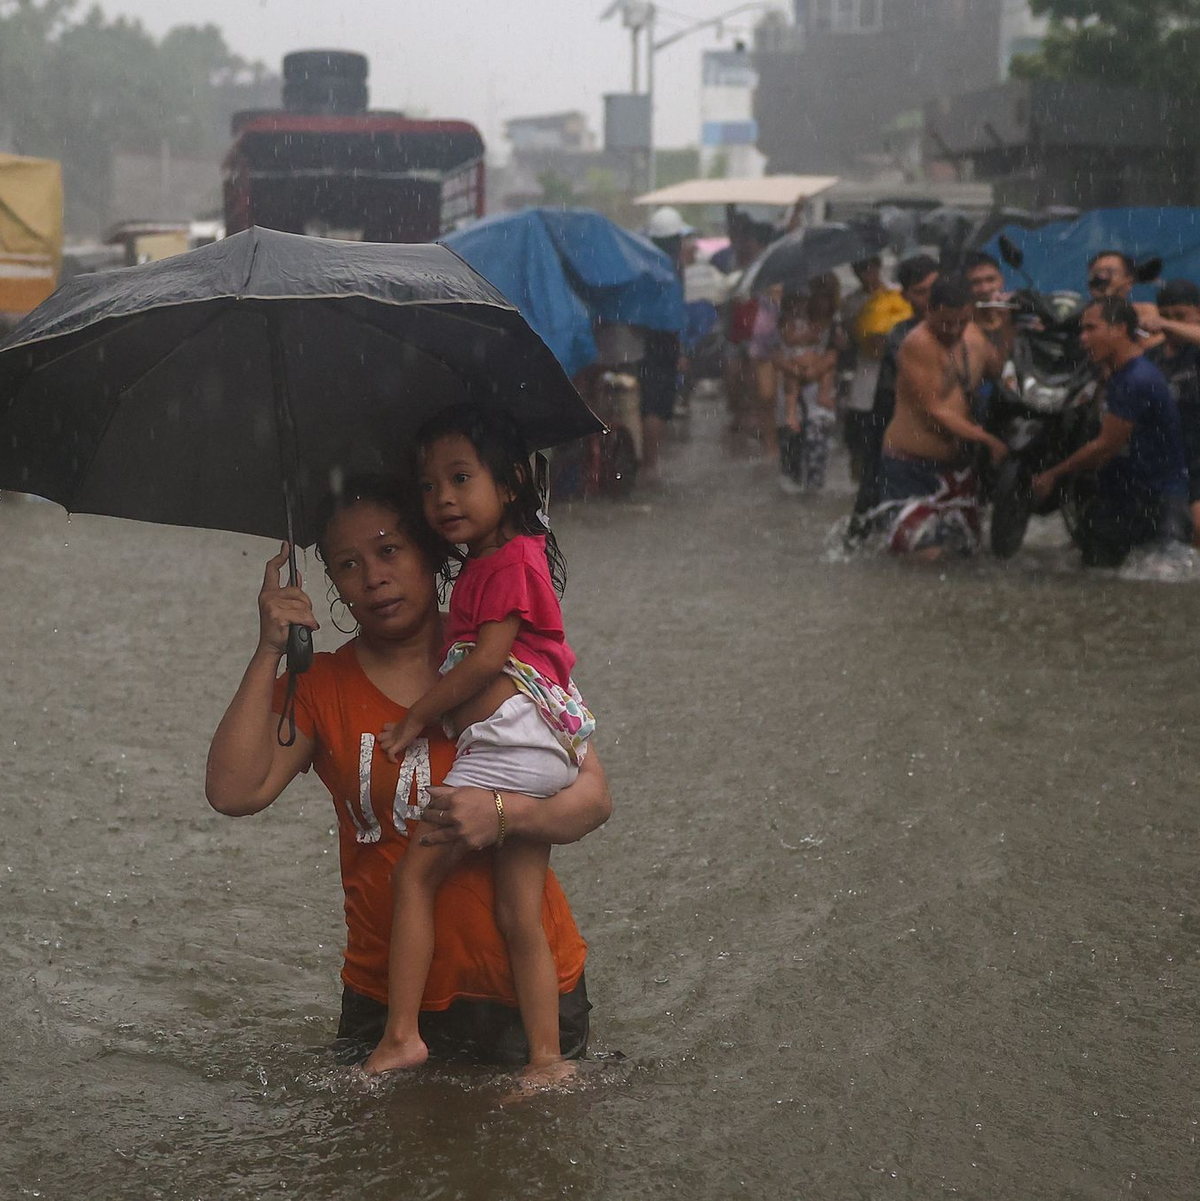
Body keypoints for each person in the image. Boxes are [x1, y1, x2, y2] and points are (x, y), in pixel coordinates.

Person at [205, 474, 610, 1069]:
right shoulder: (322, 686)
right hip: (384, 998)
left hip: (524, 997)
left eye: (389, 549)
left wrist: (502, 815)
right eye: (347, 565)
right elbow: (232, 791)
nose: (373, 578)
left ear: (429, 551)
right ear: (335, 586)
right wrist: (269, 650)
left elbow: (594, 800)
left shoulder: (500, 655)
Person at [364, 407, 594, 1080]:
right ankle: (546, 1059)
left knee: (415, 874)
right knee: (517, 911)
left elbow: (486, 660)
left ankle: (402, 1034)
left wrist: (412, 719)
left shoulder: (510, 563)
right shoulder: (495, 563)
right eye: (430, 485)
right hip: (533, 750)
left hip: (507, 748)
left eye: (461, 478)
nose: (443, 498)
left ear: (513, 484)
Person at [1032, 296, 1191, 568]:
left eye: (1091, 328)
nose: (1083, 338)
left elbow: (1105, 447)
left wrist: (1053, 474)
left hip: (1155, 505)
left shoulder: (1136, 379)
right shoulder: (1118, 375)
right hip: (1121, 502)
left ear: (1118, 329)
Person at [878, 274, 1008, 559]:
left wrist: (1007, 326)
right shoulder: (918, 344)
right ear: (929, 311)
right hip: (911, 468)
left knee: (965, 558)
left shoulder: (973, 336)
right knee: (925, 556)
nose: (954, 330)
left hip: (958, 470)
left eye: (962, 321)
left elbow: (998, 371)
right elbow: (934, 410)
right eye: (947, 322)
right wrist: (986, 438)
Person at [845, 254, 939, 540]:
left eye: (936, 288)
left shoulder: (960, 327)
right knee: (874, 489)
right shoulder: (902, 334)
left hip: (937, 429)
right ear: (906, 296)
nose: (931, 298)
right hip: (891, 418)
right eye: (921, 292)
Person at [840, 257, 913, 482]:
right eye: (861, 268)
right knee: (860, 440)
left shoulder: (898, 295)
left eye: (870, 267)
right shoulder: (851, 303)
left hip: (897, 378)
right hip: (865, 379)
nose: (866, 273)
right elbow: (851, 339)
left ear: (879, 266)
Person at [774, 276, 841, 494]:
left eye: (827, 297)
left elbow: (833, 356)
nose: (822, 302)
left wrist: (815, 371)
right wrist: (795, 370)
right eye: (818, 296)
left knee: (816, 443)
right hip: (792, 386)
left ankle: (814, 491)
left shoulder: (834, 326)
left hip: (818, 391)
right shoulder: (790, 321)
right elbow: (776, 354)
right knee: (791, 447)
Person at [1145, 280, 1200, 545]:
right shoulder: (1152, 357)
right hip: (1166, 459)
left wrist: (1165, 325)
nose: (1171, 323)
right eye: (1165, 316)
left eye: (1181, 316)